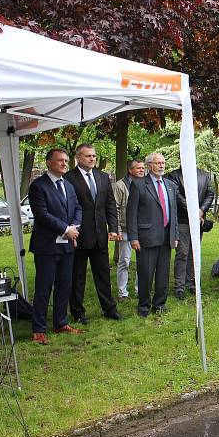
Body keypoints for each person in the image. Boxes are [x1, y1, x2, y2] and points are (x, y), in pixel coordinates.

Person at [28, 149, 83, 344]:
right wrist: (64, 229)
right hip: (47, 246)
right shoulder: (38, 186)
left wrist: (74, 227)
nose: (64, 164)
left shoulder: (68, 185)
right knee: (44, 288)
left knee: (64, 285)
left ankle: (60, 323)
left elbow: (77, 207)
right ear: (49, 163)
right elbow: (41, 214)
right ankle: (39, 329)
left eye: (66, 161)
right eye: (60, 160)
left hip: (67, 245)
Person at [64, 144, 121, 324]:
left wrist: (113, 227)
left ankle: (109, 308)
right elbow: (67, 207)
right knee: (78, 276)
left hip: (100, 235)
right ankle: (78, 312)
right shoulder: (69, 178)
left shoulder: (103, 177)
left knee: (103, 274)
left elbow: (110, 204)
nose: (92, 159)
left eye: (94, 156)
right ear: (78, 157)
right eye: (88, 156)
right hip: (79, 235)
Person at [127, 152, 178, 316]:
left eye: (163, 163)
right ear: (149, 165)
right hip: (146, 237)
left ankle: (160, 304)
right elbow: (131, 213)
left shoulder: (170, 185)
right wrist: (133, 237)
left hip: (166, 236)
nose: (161, 166)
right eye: (157, 163)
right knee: (146, 274)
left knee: (163, 274)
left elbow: (174, 213)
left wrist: (175, 235)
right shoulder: (139, 184)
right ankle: (143, 306)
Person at [167, 165, 215, 298]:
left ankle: (192, 283)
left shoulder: (204, 174)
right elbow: (176, 195)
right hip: (182, 220)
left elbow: (210, 193)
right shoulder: (174, 175)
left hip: (198, 220)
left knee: (194, 252)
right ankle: (179, 286)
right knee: (182, 252)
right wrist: (193, 210)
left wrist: (201, 210)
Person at [113, 159, 145, 301]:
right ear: (130, 170)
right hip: (125, 229)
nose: (141, 170)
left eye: (143, 168)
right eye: (138, 168)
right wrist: (118, 230)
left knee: (142, 262)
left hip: (142, 229)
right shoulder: (120, 185)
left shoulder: (146, 184)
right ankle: (122, 292)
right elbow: (116, 208)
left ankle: (140, 290)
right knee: (124, 261)